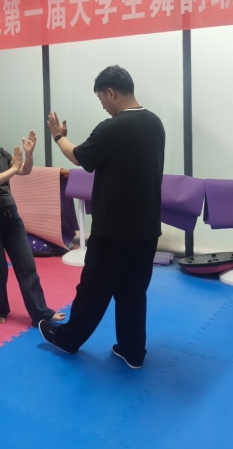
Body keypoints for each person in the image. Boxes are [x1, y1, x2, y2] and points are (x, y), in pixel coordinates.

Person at [39, 65, 165, 369]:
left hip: (114, 229)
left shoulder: (113, 126)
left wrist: (59, 137)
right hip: (147, 227)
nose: (104, 106)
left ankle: (68, 339)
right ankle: (132, 351)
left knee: (93, 289)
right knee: (133, 292)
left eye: (101, 99)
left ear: (111, 92)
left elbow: (80, 157)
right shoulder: (155, 122)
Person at [0, 111, 65, 326]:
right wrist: (14, 169)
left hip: (11, 217)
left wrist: (29, 155)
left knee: (27, 265)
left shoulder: (0, 152)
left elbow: (24, 171)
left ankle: (41, 313)